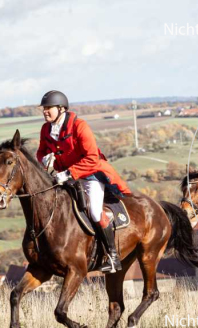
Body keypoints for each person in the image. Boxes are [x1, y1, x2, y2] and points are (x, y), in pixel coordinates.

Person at [35, 90, 132, 273]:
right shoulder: (46, 129)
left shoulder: (79, 126)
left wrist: (70, 172)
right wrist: (44, 159)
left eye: (49, 108)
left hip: (90, 174)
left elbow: (92, 158)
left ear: (61, 109)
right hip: (64, 176)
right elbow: (41, 151)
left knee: (95, 211)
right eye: (44, 108)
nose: (45, 111)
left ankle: (112, 256)